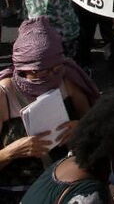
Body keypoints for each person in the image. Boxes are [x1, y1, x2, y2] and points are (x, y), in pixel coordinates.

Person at [0, 18, 98, 198]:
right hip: (17, 190)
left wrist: (81, 127)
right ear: (23, 68)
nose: (49, 77)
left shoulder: (67, 80)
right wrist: (11, 152)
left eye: (55, 69)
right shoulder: (4, 94)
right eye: (39, 72)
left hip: (63, 183)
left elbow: (96, 125)